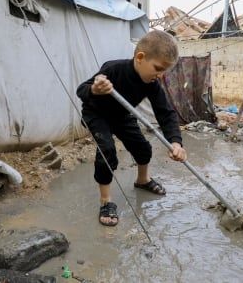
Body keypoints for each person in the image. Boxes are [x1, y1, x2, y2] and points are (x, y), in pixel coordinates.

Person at [76, 30, 187, 227]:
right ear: (140, 58)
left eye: (164, 71)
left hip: (121, 115)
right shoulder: (113, 68)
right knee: (107, 151)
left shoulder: (152, 83)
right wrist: (94, 89)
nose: (160, 75)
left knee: (143, 147)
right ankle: (106, 201)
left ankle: (142, 180)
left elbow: (165, 113)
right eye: (158, 68)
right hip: (97, 113)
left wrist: (176, 142)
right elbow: (81, 90)